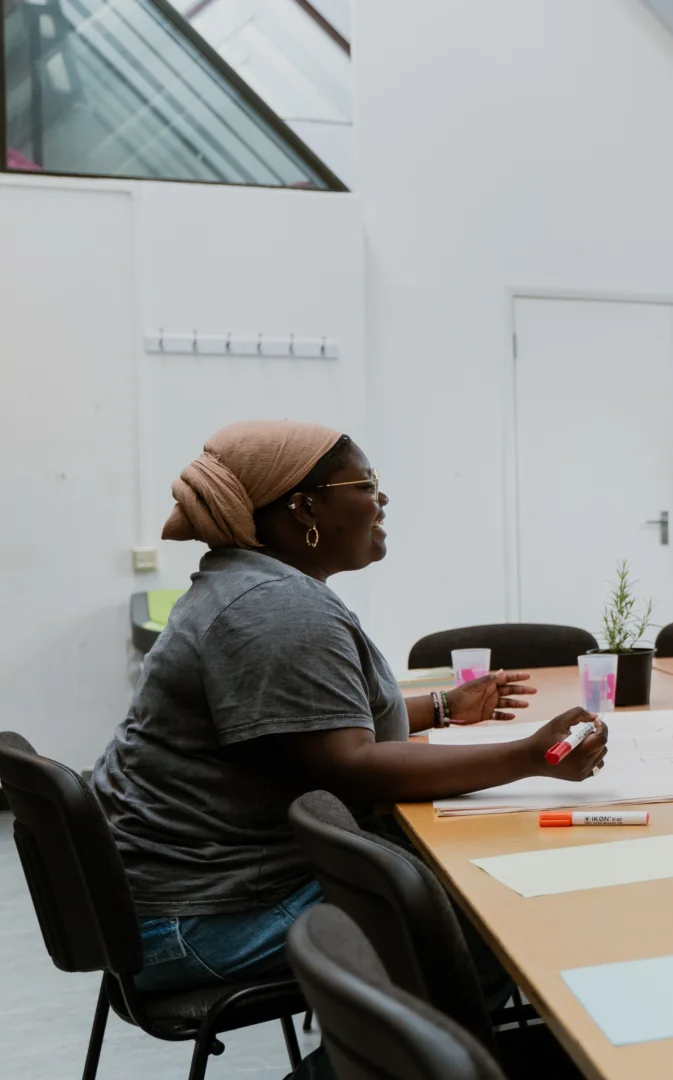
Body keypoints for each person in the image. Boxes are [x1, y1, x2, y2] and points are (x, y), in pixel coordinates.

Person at [92, 420, 609, 992]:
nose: (381, 499)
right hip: (203, 918)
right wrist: (529, 756)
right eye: (365, 485)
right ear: (305, 509)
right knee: (493, 919)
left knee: (467, 884)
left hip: (183, 892)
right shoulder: (275, 607)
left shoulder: (249, 585)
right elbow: (349, 769)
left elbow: (305, 726)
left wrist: (440, 707)